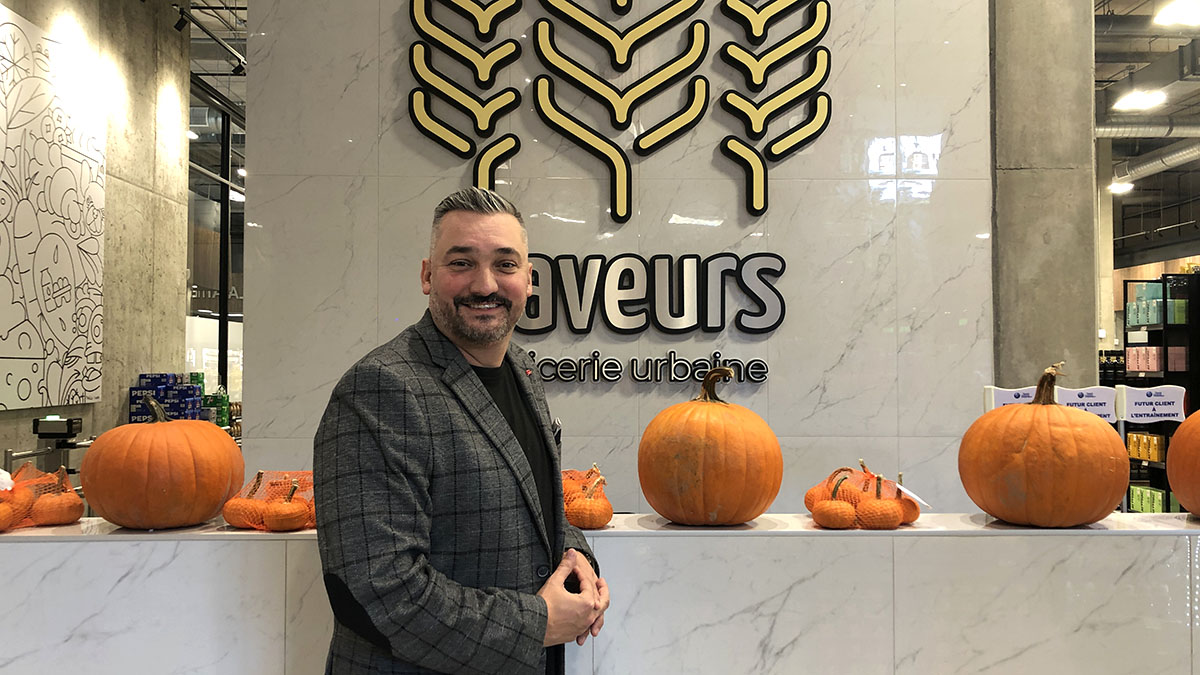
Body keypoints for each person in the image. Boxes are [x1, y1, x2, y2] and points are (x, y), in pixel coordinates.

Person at [314, 187, 609, 674]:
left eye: (505, 264)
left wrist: (574, 552)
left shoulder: (520, 369)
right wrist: (537, 622)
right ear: (428, 276)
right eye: (461, 262)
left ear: (529, 280)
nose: (485, 283)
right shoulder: (381, 389)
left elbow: (531, 501)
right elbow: (378, 592)